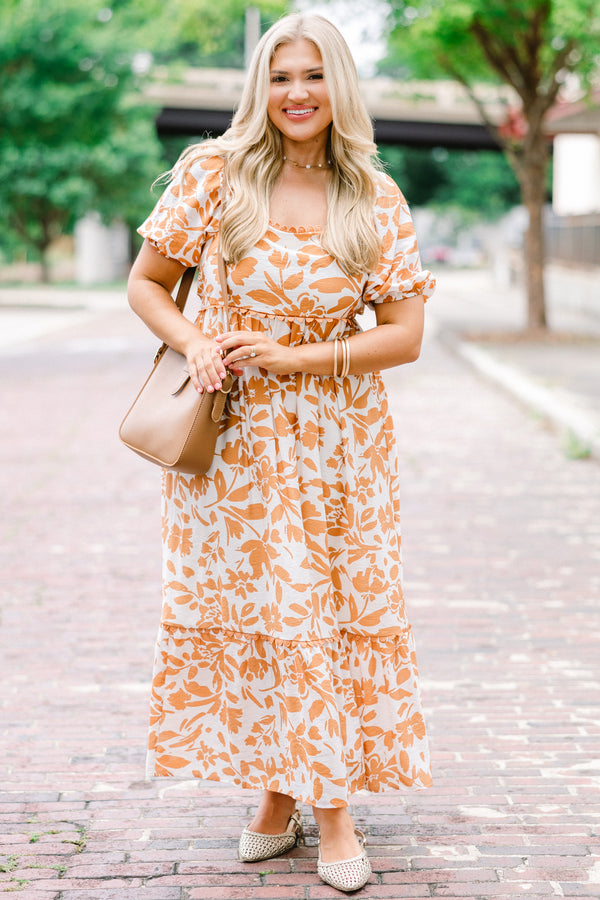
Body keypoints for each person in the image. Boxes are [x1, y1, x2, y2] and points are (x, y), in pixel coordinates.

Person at [127, 12, 435, 893]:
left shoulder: (374, 196)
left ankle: (314, 804)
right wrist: (193, 340)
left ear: (341, 84)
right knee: (270, 611)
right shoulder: (214, 174)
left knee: (323, 613)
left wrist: (302, 357)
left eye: (314, 75)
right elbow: (148, 284)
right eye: (279, 76)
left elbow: (406, 334)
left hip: (343, 444)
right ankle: (288, 799)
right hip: (232, 445)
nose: (297, 94)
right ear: (259, 87)